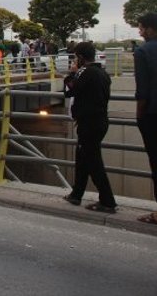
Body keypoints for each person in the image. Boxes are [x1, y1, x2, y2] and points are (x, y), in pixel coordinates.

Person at [62, 41, 117, 213]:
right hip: (99, 121)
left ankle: (107, 201)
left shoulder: (85, 73)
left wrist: (71, 75)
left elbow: (70, 90)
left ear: (80, 57)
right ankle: (76, 194)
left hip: (89, 123)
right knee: (83, 157)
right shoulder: (102, 73)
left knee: (93, 161)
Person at [134, 12, 157, 224]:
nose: (140, 32)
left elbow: (142, 91)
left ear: (150, 29)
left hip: (152, 114)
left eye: (141, 28)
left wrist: (139, 115)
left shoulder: (143, 52)